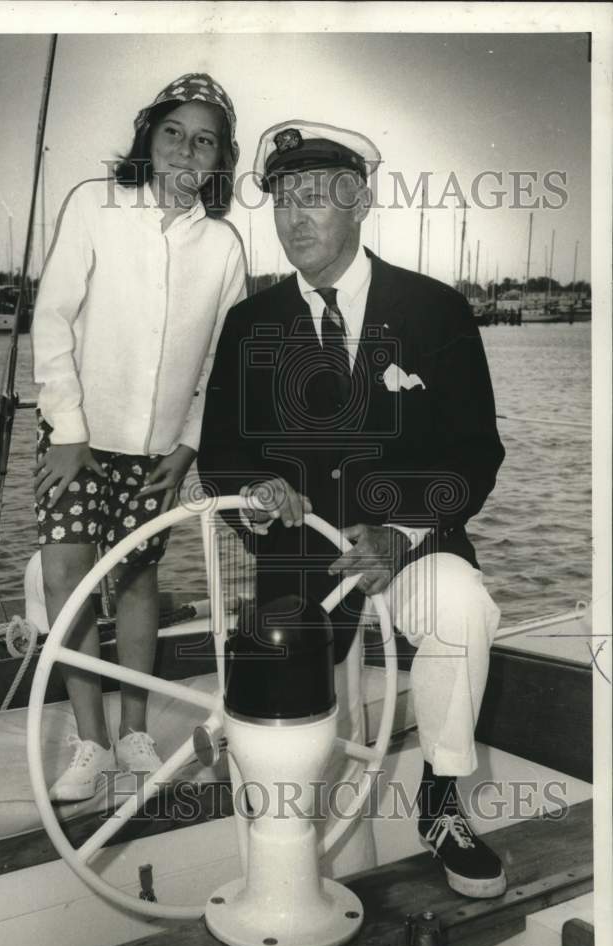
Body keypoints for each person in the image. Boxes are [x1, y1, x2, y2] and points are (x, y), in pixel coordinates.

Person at [198, 120, 507, 898]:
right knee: (288, 726)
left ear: (360, 202)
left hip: (408, 544)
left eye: (315, 198)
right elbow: (222, 455)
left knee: (462, 608)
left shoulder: (435, 311)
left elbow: (474, 453)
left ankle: (440, 802)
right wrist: (257, 499)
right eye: (281, 200)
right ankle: (287, 857)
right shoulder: (249, 325)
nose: (294, 216)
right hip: (297, 562)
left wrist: (400, 535)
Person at [32, 73, 246, 802]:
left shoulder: (222, 246)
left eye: (205, 139)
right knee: (66, 574)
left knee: (136, 580)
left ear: (220, 160)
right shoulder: (94, 205)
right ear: (147, 139)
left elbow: (221, 363)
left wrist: (187, 446)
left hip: (158, 451)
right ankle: (89, 742)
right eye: (173, 132)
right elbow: (53, 317)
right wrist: (66, 428)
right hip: (77, 437)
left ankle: (133, 733)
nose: (187, 149)